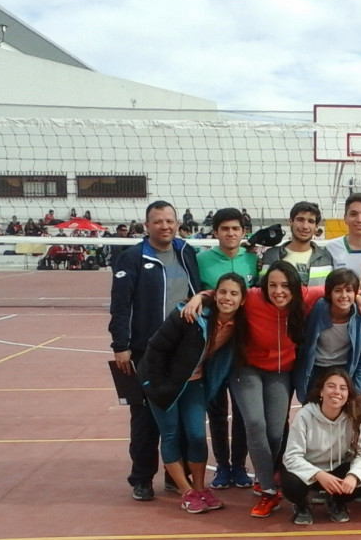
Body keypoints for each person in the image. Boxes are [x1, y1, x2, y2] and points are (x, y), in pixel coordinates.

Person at [108, 201, 202, 502]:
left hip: (182, 350)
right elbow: (120, 305)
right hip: (146, 352)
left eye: (170, 220)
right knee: (146, 419)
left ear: (177, 223)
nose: (165, 226)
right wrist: (120, 346)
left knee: (184, 419)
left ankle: (177, 478)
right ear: (147, 225)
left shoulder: (186, 252)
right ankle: (142, 478)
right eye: (158, 221)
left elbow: (196, 293)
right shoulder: (132, 258)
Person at [138, 273, 245, 513]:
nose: (227, 297)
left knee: (197, 435)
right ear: (215, 294)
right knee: (170, 435)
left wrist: (202, 294)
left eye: (234, 293)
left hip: (194, 382)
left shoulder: (239, 324)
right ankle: (186, 492)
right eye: (223, 292)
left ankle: (199, 489)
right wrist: (156, 386)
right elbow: (156, 347)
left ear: (242, 300)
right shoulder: (190, 315)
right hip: (161, 381)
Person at [228, 261, 325, 517]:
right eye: (272, 285)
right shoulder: (252, 297)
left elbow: (338, 288)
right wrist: (199, 298)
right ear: (264, 286)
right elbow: (223, 291)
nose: (278, 291)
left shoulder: (305, 295)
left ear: (295, 286)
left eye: (284, 285)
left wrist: (360, 299)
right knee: (255, 424)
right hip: (247, 368)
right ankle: (268, 490)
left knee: (275, 432)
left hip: (281, 372)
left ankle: (266, 474)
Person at [195, 207, 259, 490]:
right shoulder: (202, 260)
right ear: (215, 232)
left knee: (244, 410)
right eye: (225, 229)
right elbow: (194, 295)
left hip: (245, 346)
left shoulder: (253, 260)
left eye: (235, 228)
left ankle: (239, 466)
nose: (231, 233)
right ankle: (222, 466)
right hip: (214, 346)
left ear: (243, 232)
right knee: (217, 409)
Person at [282, 368, 361, 525]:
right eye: (331, 386)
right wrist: (318, 474)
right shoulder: (305, 415)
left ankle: (336, 501)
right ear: (321, 392)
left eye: (343, 388)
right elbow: (291, 456)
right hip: (311, 471)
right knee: (290, 483)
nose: (337, 392)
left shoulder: (354, 417)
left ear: (348, 395)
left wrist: (353, 476)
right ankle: (301, 505)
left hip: (336, 469)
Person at [296, 268, 361, 402]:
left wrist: (356, 389)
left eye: (349, 290)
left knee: (344, 417)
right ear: (329, 294)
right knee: (313, 414)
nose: (344, 295)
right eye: (338, 290)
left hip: (344, 369)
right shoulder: (318, 308)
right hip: (316, 369)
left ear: (356, 294)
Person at [259, 201, 333, 287]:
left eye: (311, 221)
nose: (305, 226)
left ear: (316, 226)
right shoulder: (271, 255)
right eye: (300, 220)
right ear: (290, 221)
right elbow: (263, 290)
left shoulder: (326, 257)